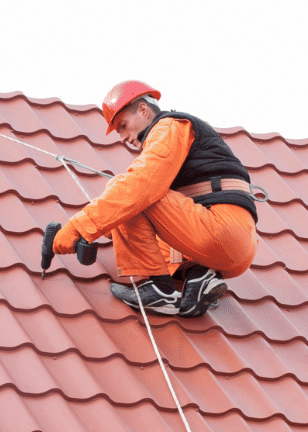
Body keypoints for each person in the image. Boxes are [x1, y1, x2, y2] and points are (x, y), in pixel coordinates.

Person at [49, 80, 259, 317]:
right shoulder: (179, 140)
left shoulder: (169, 126)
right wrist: (104, 230)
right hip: (237, 246)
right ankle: (198, 275)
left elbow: (139, 188)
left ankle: (160, 289)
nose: (123, 137)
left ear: (143, 109)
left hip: (218, 229)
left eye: (123, 125)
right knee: (129, 201)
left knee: (126, 189)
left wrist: (78, 228)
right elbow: (154, 216)